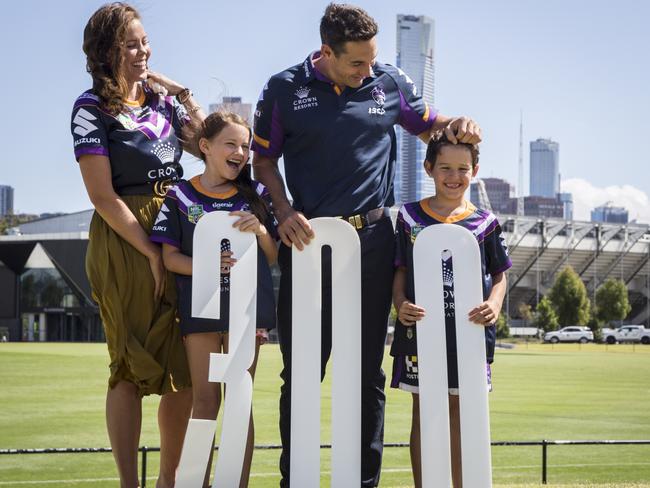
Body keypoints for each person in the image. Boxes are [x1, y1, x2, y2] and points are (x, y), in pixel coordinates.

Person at [251, 3, 482, 486]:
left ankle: (364, 482)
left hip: (375, 243)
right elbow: (264, 162)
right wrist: (283, 211)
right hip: (309, 243)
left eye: (372, 60)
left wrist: (463, 124)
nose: (367, 70)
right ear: (326, 52)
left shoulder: (389, 81)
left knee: (366, 377)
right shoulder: (282, 89)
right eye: (356, 63)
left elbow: (433, 125)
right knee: (302, 375)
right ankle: (297, 479)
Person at [70, 3, 205, 486]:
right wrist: (150, 251)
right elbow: (102, 195)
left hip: (179, 229)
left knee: (184, 366)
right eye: (131, 43)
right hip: (127, 238)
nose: (143, 50)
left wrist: (182, 94)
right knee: (127, 365)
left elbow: (213, 144)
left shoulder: (161, 103)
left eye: (145, 41)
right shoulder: (90, 109)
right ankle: (131, 482)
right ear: (106, 52)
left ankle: (170, 479)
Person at [150, 111, 278, 487]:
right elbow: (170, 258)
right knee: (205, 402)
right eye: (231, 144)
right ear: (205, 147)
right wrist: (209, 265)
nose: (241, 152)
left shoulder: (257, 195)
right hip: (201, 308)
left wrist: (260, 231)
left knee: (240, 402)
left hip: (247, 309)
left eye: (245, 146)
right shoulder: (180, 195)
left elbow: (271, 256)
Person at [390, 133, 512, 487]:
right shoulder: (409, 218)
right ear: (429, 168)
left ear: (474, 171)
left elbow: (501, 275)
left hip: (468, 334)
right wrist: (400, 304)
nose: (453, 176)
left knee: (460, 412)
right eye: (445, 167)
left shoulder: (484, 222)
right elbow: (399, 270)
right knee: (425, 411)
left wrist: (493, 304)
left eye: (462, 168)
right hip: (421, 331)